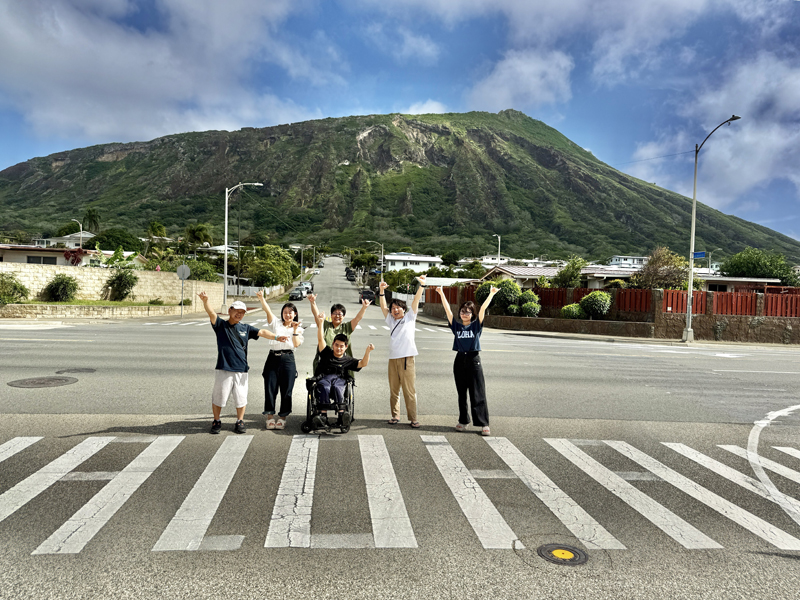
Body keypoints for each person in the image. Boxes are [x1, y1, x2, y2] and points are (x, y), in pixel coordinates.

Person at [198, 292, 288, 435]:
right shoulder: (221, 325)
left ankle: (239, 421)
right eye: (237, 311)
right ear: (230, 311)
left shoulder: (245, 328)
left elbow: (262, 332)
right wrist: (205, 301)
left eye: (242, 312)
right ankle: (216, 420)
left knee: (241, 398)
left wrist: (276, 337)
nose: (239, 314)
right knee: (219, 396)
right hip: (224, 368)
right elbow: (211, 313)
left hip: (241, 369)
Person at [435, 285, 499, 436]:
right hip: (459, 360)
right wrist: (441, 293)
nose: (464, 313)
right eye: (463, 311)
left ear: (472, 314)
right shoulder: (456, 327)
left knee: (478, 393)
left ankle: (483, 423)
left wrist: (491, 294)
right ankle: (463, 421)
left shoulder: (476, 326)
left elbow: (482, 309)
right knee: (462, 393)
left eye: (468, 311)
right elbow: (447, 310)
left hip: (473, 360)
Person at [310, 310, 375, 429]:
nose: (339, 348)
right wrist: (320, 324)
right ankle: (323, 416)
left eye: (341, 346)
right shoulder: (326, 353)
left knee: (338, 387)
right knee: (324, 386)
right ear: (333, 344)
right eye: (336, 345)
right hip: (325, 377)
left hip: (339, 379)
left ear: (346, 347)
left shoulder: (347, 360)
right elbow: (320, 339)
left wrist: (368, 352)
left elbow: (362, 363)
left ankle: (342, 415)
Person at [378, 274, 426, 428]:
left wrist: (422, 286)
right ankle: (395, 415)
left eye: (398, 307)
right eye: (393, 308)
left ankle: (413, 418)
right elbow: (382, 306)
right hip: (393, 359)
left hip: (407, 358)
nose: (395, 310)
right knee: (394, 390)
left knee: (409, 391)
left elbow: (416, 300)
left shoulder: (410, 317)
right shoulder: (391, 320)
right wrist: (381, 291)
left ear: (403, 309)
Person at [257, 291, 304, 430]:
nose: (287, 314)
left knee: (286, 389)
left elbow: (296, 344)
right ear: (282, 313)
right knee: (270, 388)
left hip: (288, 359)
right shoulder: (276, 323)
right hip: (273, 357)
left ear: (295, 314)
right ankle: (270, 417)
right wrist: (261, 298)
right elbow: (268, 310)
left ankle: (282, 417)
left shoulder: (299, 328)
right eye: (285, 312)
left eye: (290, 312)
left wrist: (295, 330)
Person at [307, 294, 371, 372]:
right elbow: (317, 316)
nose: (337, 316)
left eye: (340, 314)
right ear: (331, 315)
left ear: (343, 316)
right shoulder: (326, 325)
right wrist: (313, 302)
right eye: (334, 313)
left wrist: (364, 307)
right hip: (325, 363)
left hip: (342, 364)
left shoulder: (347, 327)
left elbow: (357, 319)